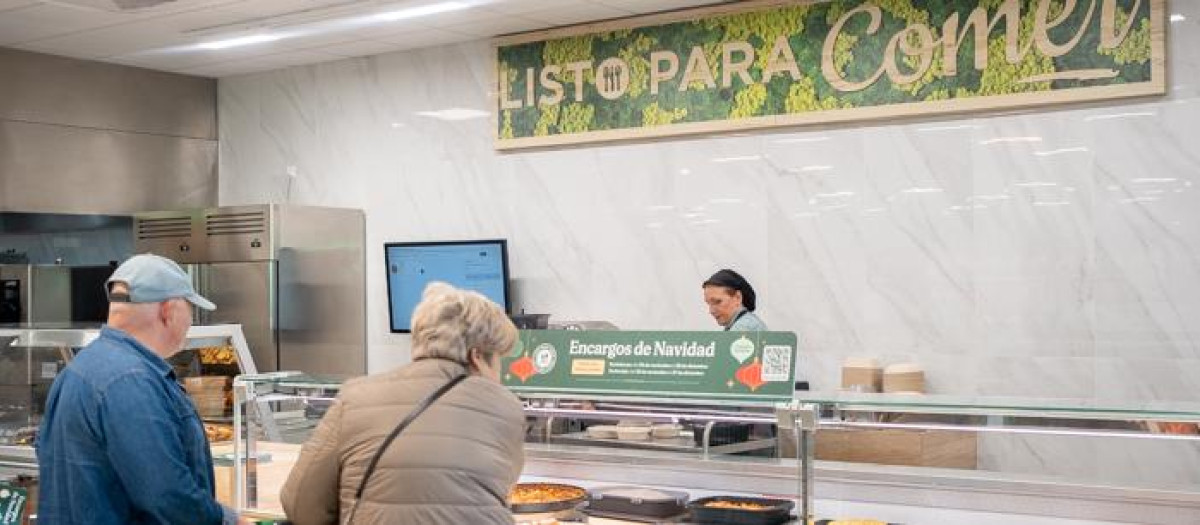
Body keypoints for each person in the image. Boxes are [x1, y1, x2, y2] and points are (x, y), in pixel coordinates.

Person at [281, 282, 525, 525]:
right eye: (498, 361)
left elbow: (300, 504)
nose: (499, 375)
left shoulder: (355, 396)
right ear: (477, 357)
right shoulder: (505, 407)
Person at [36, 254, 246, 525]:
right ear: (168, 311)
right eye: (190, 309)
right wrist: (226, 520)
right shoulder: (131, 381)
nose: (191, 321)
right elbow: (165, 494)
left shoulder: (78, 368)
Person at [703, 268, 768, 331]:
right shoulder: (741, 324)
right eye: (709, 304)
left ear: (738, 297)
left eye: (717, 302)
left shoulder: (743, 327)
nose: (711, 311)